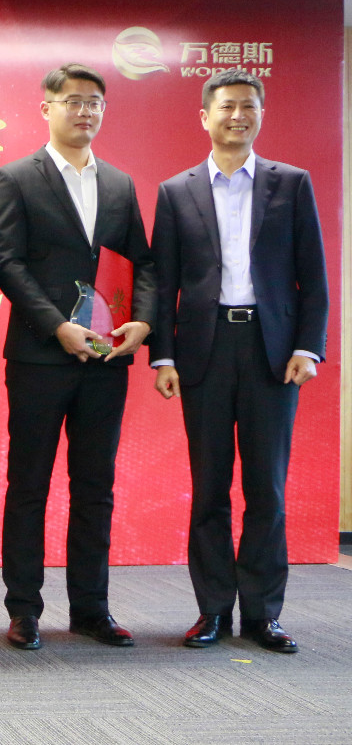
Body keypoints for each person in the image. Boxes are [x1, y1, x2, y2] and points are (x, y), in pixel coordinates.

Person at [150, 70, 328, 654]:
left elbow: (313, 276)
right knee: (209, 488)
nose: (237, 115)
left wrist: (307, 347)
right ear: (205, 117)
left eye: (248, 106)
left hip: (271, 352)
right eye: (226, 106)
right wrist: (163, 356)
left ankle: (262, 614)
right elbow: (164, 282)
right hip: (202, 352)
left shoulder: (291, 183)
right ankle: (212, 610)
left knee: (267, 488)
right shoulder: (176, 191)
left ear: (260, 115)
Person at [0, 64, 154, 650]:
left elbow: (142, 263)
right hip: (40, 357)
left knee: (95, 486)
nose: (85, 111)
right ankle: (23, 609)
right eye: (74, 101)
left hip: (106, 360)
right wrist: (57, 326)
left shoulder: (120, 184)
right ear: (47, 109)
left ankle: (90, 608)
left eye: (95, 103)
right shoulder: (15, 177)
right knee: (28, 485)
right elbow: (7, 263)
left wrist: (143, 323)